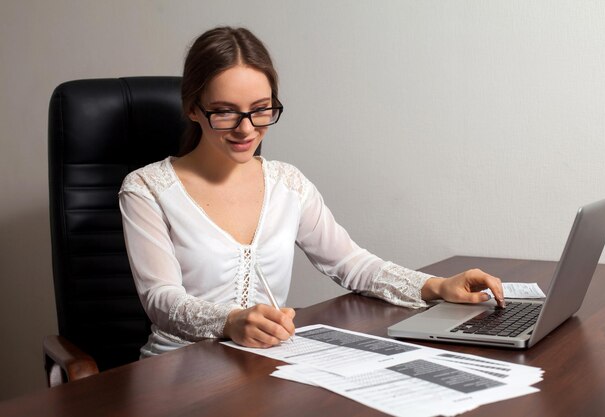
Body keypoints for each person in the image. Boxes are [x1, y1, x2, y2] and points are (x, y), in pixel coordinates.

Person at [119, 26, 505, 357]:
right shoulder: (147, 189)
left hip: (262, 367)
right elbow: (161, 300)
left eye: (261, 109)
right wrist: (231, 321)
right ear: (192, 108)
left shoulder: (289, 183)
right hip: (175, 371)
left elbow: (352, 264)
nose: (247, 128)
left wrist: (436, 286)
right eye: (225, 112)